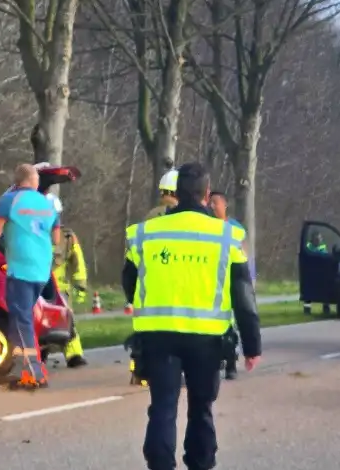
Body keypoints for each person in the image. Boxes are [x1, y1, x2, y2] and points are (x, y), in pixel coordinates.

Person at [123, 162, 261, 470]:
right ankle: (200, 463)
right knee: (201, 407)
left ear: (174, 192)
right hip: (207, 339)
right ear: (206, 194)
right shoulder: (227, 235)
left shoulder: (146, 232)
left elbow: (129, 280)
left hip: (157, 334)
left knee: (162, 406)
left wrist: (143, 301)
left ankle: (160, 464)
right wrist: (252, 345)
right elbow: (243, 293)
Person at [0, 163, 60, 390]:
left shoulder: (10, 200)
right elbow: (56, 239)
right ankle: (18, 367)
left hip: (20, 267)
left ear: (18, 181)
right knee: (18, 318)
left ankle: (34, 370)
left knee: (22, 318)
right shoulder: (47, 204)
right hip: (42, 269)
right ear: (34, 181)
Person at [209, 191, 243, 381]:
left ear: (225, 205)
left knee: (229, 326)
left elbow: (245, 255)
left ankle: (231, 363)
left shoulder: (234, 228)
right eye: (210, 203)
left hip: (231, 283)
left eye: (216, 203)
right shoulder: (206, 227)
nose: (212, 207)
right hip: (211, 284)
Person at [50, 220, 88, 368]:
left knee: (67, 322)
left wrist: (80, 286)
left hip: (59, 289)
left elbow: (78, 262)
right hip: (34, 285)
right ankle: (38, 354)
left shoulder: (67, 237)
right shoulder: (28, 232)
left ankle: (74, 355)